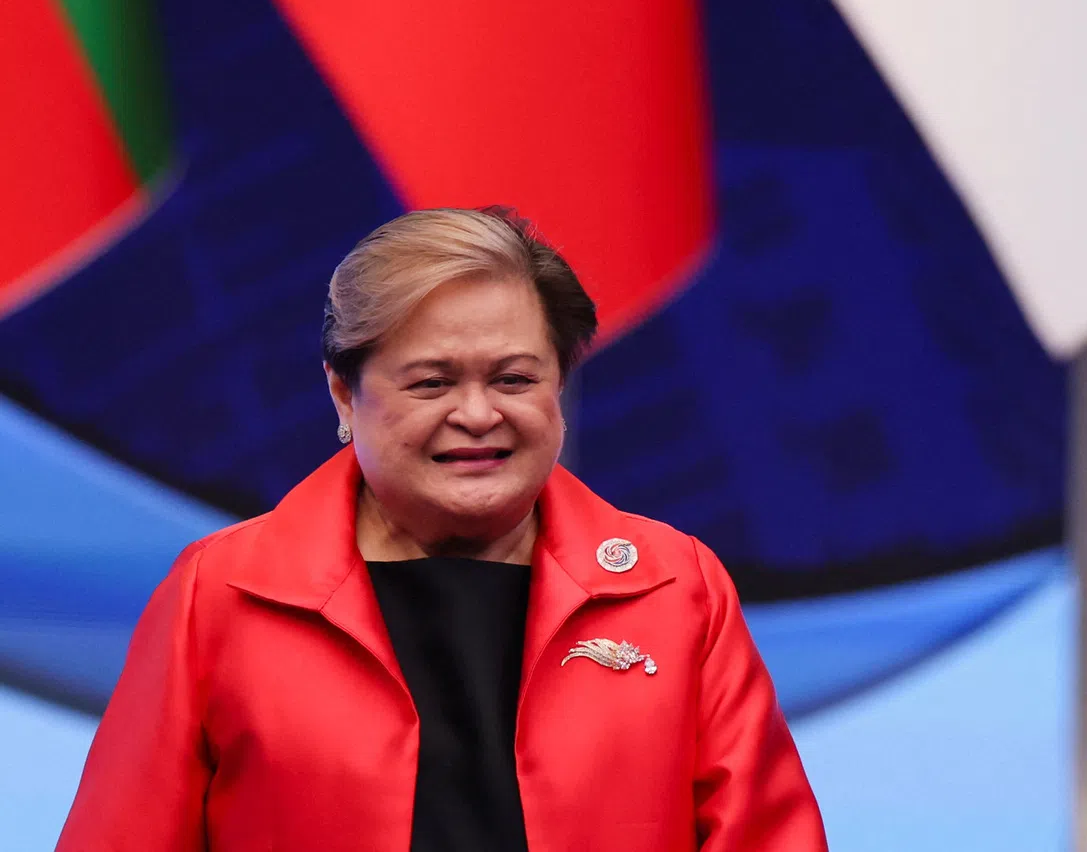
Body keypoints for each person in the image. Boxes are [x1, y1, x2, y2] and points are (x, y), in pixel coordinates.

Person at [57, 206, 827, 852]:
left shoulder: (673, 585)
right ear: (343, 395)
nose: (478, 414)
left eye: (515, 378)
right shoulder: (222, 593)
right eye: (432, 382)